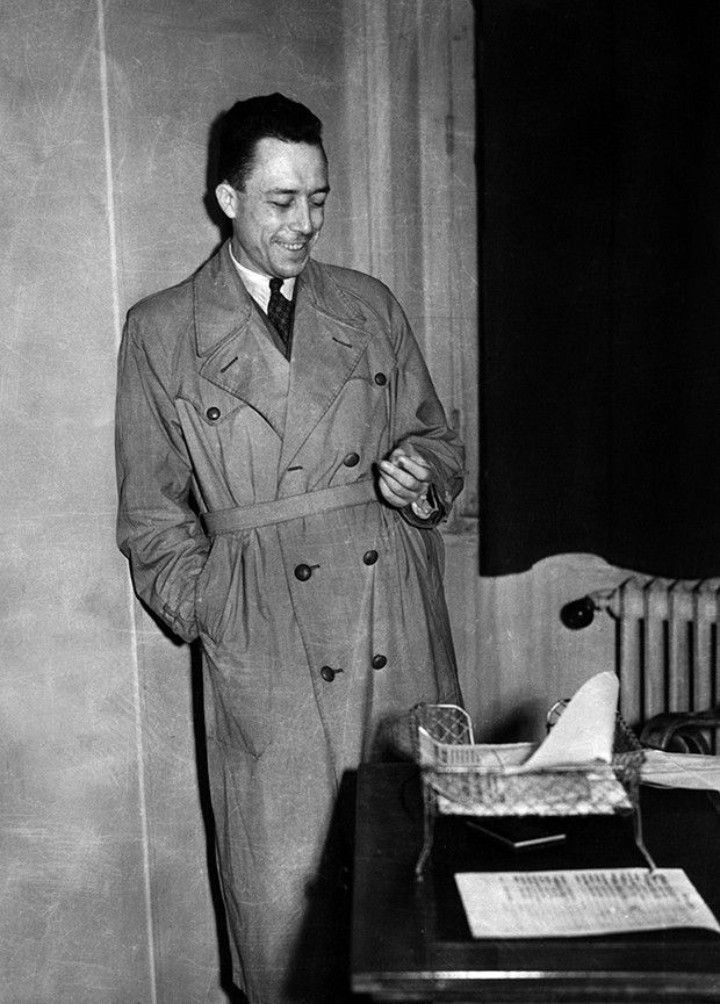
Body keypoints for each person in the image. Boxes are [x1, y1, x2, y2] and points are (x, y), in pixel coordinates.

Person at [115, 92, 464, 1004]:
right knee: (285, 919)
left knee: (416, 897)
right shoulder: (161, 330)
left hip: (393, 620)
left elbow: (438, 440)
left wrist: (420, 478)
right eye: (281, 201)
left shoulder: (369, 303)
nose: (305, 222)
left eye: (318, 197)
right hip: (263, 638)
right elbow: (151, 518)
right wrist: (219, 612)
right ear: (228, 199)